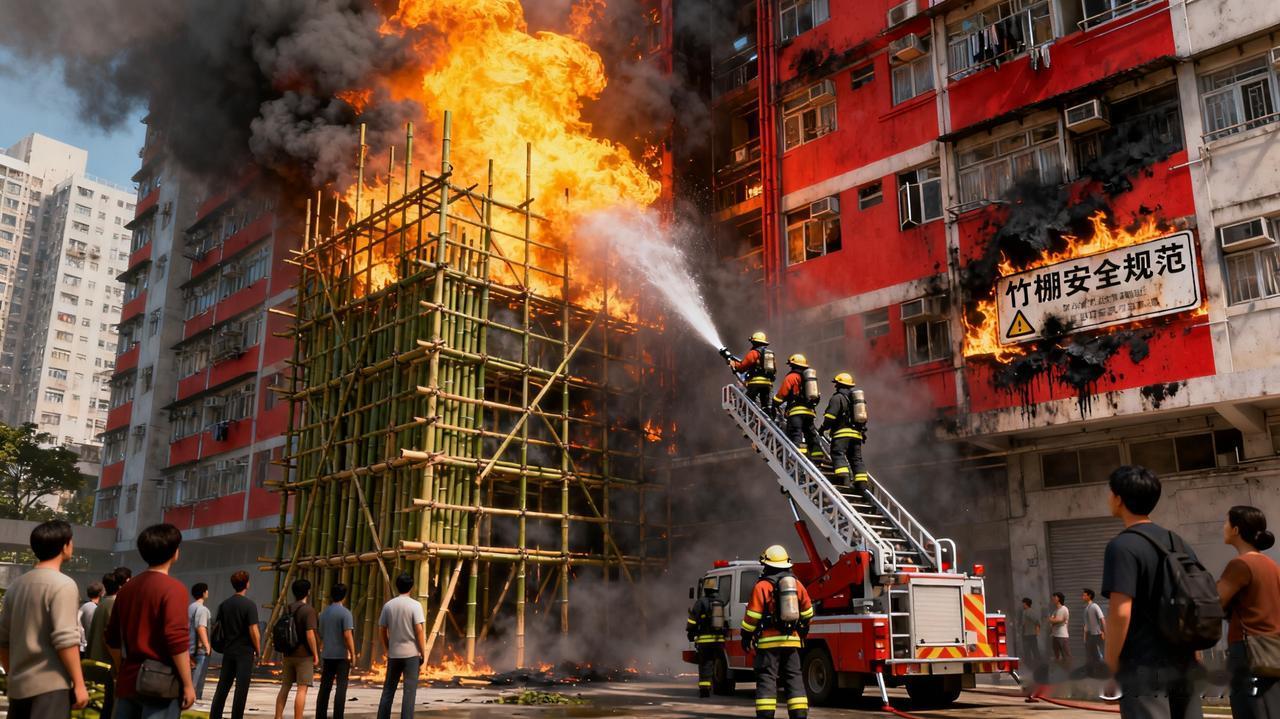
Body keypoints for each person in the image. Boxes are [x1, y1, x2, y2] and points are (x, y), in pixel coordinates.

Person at [1101, 465, 1204, 719]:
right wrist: (1196, 656)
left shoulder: (1122, 547)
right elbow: (1194, 603)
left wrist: (1111, 665)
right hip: (1183, 661)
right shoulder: (1178, 542)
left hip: (1143, 665)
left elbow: (1121, 613)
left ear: (1119, 499)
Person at [0, 520, 90, 717]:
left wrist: (12, 674)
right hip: (51, 687)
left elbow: (3, 641)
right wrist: (80, 684)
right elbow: (66, 640)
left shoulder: (16, 586)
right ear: (65, 546)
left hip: (19, 688)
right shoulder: (63, 585)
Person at [106, 523, 195, 719]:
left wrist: (124, 669)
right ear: (174, 552)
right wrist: (188, 684)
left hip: (129, 679)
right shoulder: (174, 589)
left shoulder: (127, 590)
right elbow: (176, 640)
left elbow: (112, 638)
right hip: (160, 684)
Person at [1216, 505, 1280, 719]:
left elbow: (1215, 603)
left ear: (1235, 529)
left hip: (1248, 651)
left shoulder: (1240, 565)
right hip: (1273, 651)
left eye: (1226, 522)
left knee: (1250, 711)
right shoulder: (1272, 565)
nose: (1223, 527)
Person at [740, 545, 814, 719]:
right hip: (792, 641)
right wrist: (802, 629)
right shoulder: (796, 584)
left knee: (767, 678)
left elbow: (752, 616)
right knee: (794, 677)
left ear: (767, 565)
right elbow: (808, 611)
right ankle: (799, 714)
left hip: (768, 643)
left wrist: (746, 636)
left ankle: (765, 715)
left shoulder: (762, 586)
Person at [209, 571, 261, 719]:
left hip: (229, 650)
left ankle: (215, 715)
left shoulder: (224, 604)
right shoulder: (249, 605)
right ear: (247, 584)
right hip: (244, 652)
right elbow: (254, 630)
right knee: (241, 689)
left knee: (223, 686)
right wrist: (258, 650)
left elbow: (218, 626)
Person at [377, 573, 426, 719]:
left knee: (388, 691)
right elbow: (419, 631)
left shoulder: (388, 606)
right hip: (411, 655)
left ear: (396, 586)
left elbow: (382, 629)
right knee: (409, 694)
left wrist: (387, 649)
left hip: (394, 654)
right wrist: (423, 653)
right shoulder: (415, 606)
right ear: (412, 586)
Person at [275, 579, 320, 719]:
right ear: (308, 592)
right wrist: (315, 654)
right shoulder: (309, 610)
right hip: (304, 656)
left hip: (288, 653)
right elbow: (310, 634)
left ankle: (278, 716)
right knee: (302, 689)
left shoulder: (287, 608)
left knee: (285, 687)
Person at [818, 372, 868, 490]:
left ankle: (843, 479)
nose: (835, 386)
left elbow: (830, 417)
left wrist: (823, 429)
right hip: (857, 434)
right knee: (856, 459)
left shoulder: (837, 398)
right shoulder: (856, 401)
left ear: (839, 385)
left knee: (837, 453)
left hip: (841, 434)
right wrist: (862, 433)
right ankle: (862, 484)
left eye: (836, 384)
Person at [772, 354, 823, 461]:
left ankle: (798, 458)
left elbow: (783, 393)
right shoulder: (810, 380)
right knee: (810, 434)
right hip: (809, 412)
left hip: (796, 412)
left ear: (792, 365)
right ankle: (817, 455)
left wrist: (775, 403)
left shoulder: (792, 376)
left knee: (796, 432)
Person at [317, 583, 356, 719]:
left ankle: (320, 715)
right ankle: (338, 715)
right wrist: (352, 653)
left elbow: (320, 634)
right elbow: (347, 635)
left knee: (325, 687)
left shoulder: (323, 613)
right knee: (341, 687)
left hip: (327, 655)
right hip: (341, 656)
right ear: (344, 597)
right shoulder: (346, 613)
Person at [87, 571, 122, 719]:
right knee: (109, 706)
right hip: (108, 664)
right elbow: (111, 639)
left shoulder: (101, 604)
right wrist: (119, 665)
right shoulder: (114, 605)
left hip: (97, 660)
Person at [686, 577, 727, 698]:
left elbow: (693, 619)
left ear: (706, 589)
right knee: (717, 664)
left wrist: (690, 632)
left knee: (705, 664)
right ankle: (720, 687)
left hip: (705, 640)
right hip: (718, 641)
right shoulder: (721, 601)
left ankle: (705, 690)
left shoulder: (701, 602)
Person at [721, 332, 776, 409]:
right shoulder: (770, 354)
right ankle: (768, 415)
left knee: (748, 403)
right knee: (765, 406)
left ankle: (747, 414)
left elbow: (742, 367)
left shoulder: (753, 353)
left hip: (755, 383)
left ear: (754, 342)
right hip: (767, 384)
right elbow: (774, 370)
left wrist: (732, 363)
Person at [188, 583, 212, 700]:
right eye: (206, 591)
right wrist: (207, 646)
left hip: (188, 648)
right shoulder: (203, 610)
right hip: (199, 650)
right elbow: (201, 627)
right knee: (196, 681)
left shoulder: (190, 607)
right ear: (203, 593)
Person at [1082, 588, 1106, 676]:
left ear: (1089, 596)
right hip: (1089, 635)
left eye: (1084, 595)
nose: (1082, 597)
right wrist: (1084, 637)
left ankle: (1102, 672)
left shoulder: (1095, 606)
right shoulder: (1086, 609)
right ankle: (1091, 673)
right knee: (1090, 654)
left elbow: (1102, 619)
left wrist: (1104, 633)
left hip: (1096, 634)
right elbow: (1085, 625)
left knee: (1099, 654)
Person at [79, 582, 103, 654]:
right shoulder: (94, 608)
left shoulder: (84, 606)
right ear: (101, 593)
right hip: (88, 648)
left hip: (83, 646)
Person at [1018, 597, 1042, 667]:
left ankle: (1038, 664)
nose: (1022, 605)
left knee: (1033, 650)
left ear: (1026, 604)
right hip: (1026, 634)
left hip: (1030, 634)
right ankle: (1031, 665)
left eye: (1023, 603)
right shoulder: (1025, 611)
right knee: (1028, 650)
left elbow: (1037, 621)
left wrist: (1037, 630)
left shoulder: (1030, 612)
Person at [1048, 592, 1070, 666]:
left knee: (1066, 655)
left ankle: (1069, 671)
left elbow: (1059, 620)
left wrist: (1051, 619)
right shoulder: (1055, 611)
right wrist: (1052, 620)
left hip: (1062, 636)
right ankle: (1061, 672)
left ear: (1059, 598)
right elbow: (1052, 621)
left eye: (1055, 597)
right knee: (1057, 655)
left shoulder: (1064, 609)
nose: (1053, 598)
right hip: (1055, 635)